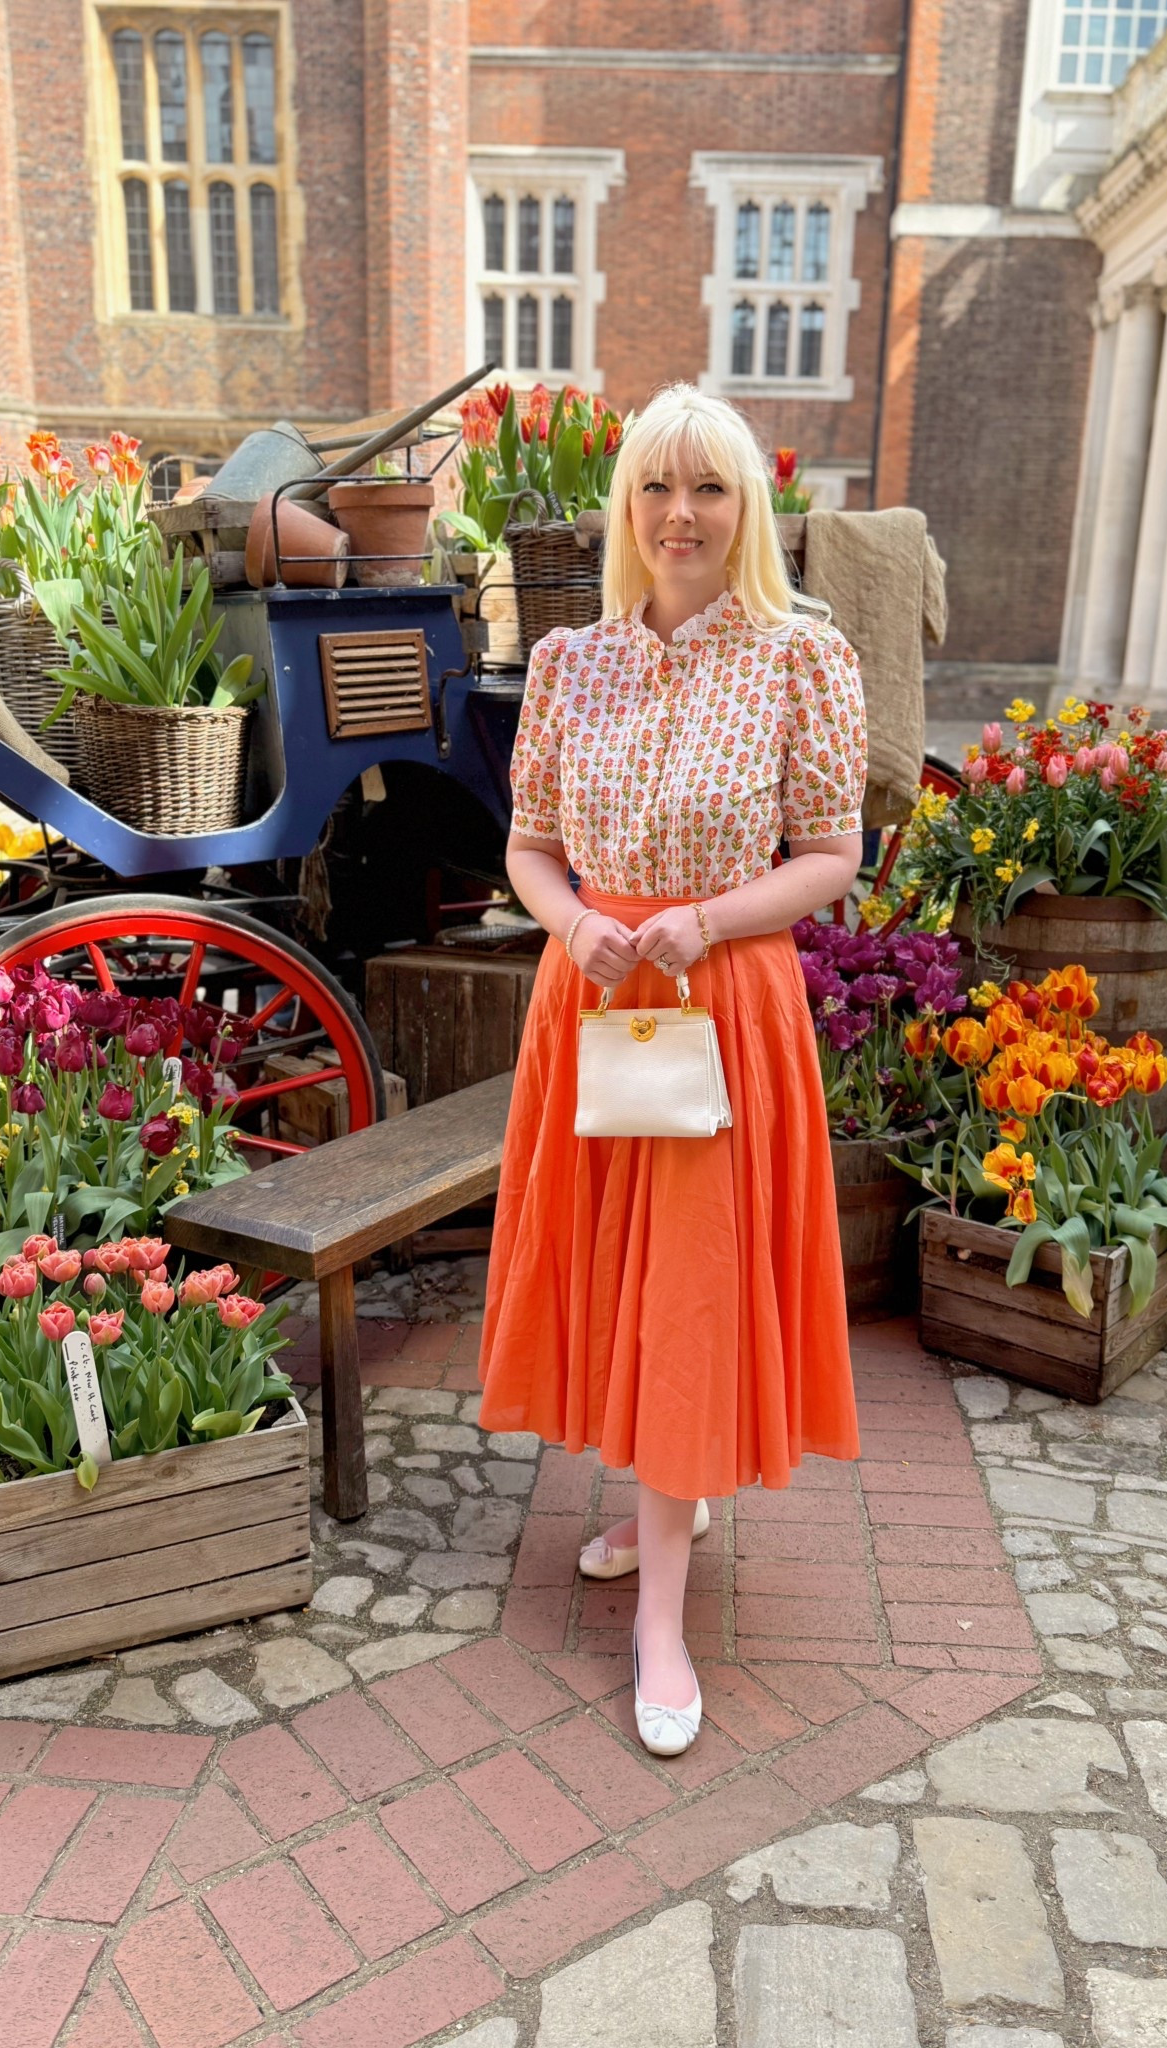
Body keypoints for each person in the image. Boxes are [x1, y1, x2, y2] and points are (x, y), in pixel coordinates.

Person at [477, 383, 865, 1756]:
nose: (679, 514)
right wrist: (576, 918)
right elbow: (527, 844)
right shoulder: (570, 663)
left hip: (719, 1002)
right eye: (655, 486)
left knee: (689, 1285)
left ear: (745, 506)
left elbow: (832, 853)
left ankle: (663, 1619)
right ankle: (667, 1496)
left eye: (707, 488)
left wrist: (701, 920)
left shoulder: (799, 658)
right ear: (624, 505)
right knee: (612, 1263)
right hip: (591, 1001)